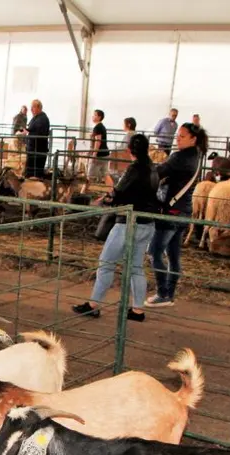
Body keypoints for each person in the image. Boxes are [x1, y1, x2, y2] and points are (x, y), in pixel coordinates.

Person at [72, 133, 160, 323]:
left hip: (128, 223)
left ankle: (93, 306)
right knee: (136, 266)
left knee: (106, 263)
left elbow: (119, 195)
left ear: (129, 150)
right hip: (147, 223)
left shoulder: (134, 169)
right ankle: (138, 310)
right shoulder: (153, 168)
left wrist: (106, 198)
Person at [146, 122, 206, 307]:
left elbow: (158, 172)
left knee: (154, 251)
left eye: (182, 136)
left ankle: (163, 293)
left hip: (171, 210)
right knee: (173, 255)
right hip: (184, 211)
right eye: (177, 136)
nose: (177, 139)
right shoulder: (197, 156)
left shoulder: (179, 157)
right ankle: (169, 294)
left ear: (193, 139)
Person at [24, 99, 50, 179]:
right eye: (31, 107)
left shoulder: (42, 119)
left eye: (33, 107)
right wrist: (24, 131)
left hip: (37, 151)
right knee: (31, 173)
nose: (31, 110)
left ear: (39, 108)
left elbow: (39, 134)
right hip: (33, 150)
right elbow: (32, 129)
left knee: (34, 175)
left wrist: (27, 133)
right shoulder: (37, 118)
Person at [88, 109, 109, 182]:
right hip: (105, 153)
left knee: (90, 175)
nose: (92, 116)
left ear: (99, 117)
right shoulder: (101, 126)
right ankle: (113, 191)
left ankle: (84, 192)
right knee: (106, 175)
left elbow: (98, 142)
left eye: (95, 115)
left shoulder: (97, 127)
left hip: (99, 155)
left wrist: (94, 155)